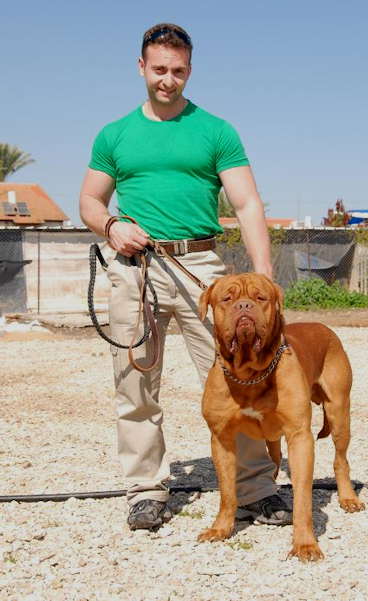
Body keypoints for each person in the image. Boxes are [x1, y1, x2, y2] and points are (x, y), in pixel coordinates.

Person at [79, 23, 291, 531]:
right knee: (135, 383)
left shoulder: (216, 131)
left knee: (239, 376)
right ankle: (146, 489)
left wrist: (262, 277)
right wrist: (112, 225)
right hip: (137, 268)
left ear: (189, 71)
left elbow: (246, 202)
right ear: (141, 68)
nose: (167, 80)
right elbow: (89, 200)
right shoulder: (115, 134)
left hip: (202, 269)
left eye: (177, 71)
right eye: (158, 70)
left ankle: (256, 488)